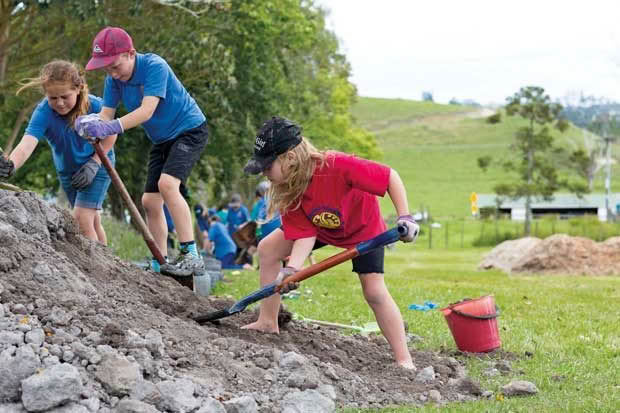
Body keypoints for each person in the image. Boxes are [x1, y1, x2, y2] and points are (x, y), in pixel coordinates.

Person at [240, 116, 420, 370]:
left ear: (289, 157)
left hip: (363, 230)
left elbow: (390, 177)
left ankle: (404, 360)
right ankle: (268, 321)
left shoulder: (337, 165)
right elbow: (304, 234)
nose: (266, 175)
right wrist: (292, 269)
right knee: (268, 248)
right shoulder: (290, 189)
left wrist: (405, 215)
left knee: (374, 292)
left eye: (268, 167)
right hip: (322, 229)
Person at [75, 26, 208, 276]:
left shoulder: (155, 66)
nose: (113, 72)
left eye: (115, 65)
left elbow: (147, 111)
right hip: (162, 139)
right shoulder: (113, 80)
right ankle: (160, 260)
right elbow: (106, 114)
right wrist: (89, 122)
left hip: (189, 129)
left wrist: (110, 127)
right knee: (149, 201)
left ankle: (191, 254)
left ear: (131, 53)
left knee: (168, 185)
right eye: (107, 69)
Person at [0, 60, 116, 243]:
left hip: (98, 164)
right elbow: (27, 144)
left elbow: (111, 134)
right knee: (92, 219)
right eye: (53, 98)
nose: (60, 103)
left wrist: (94, 163)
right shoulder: (43, 112)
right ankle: (110, 263)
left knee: (81, 218)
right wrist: (11, 164)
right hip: (69, 173)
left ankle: (94, 268)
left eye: (65, 96)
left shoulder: (95, 106)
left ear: (78, 89)